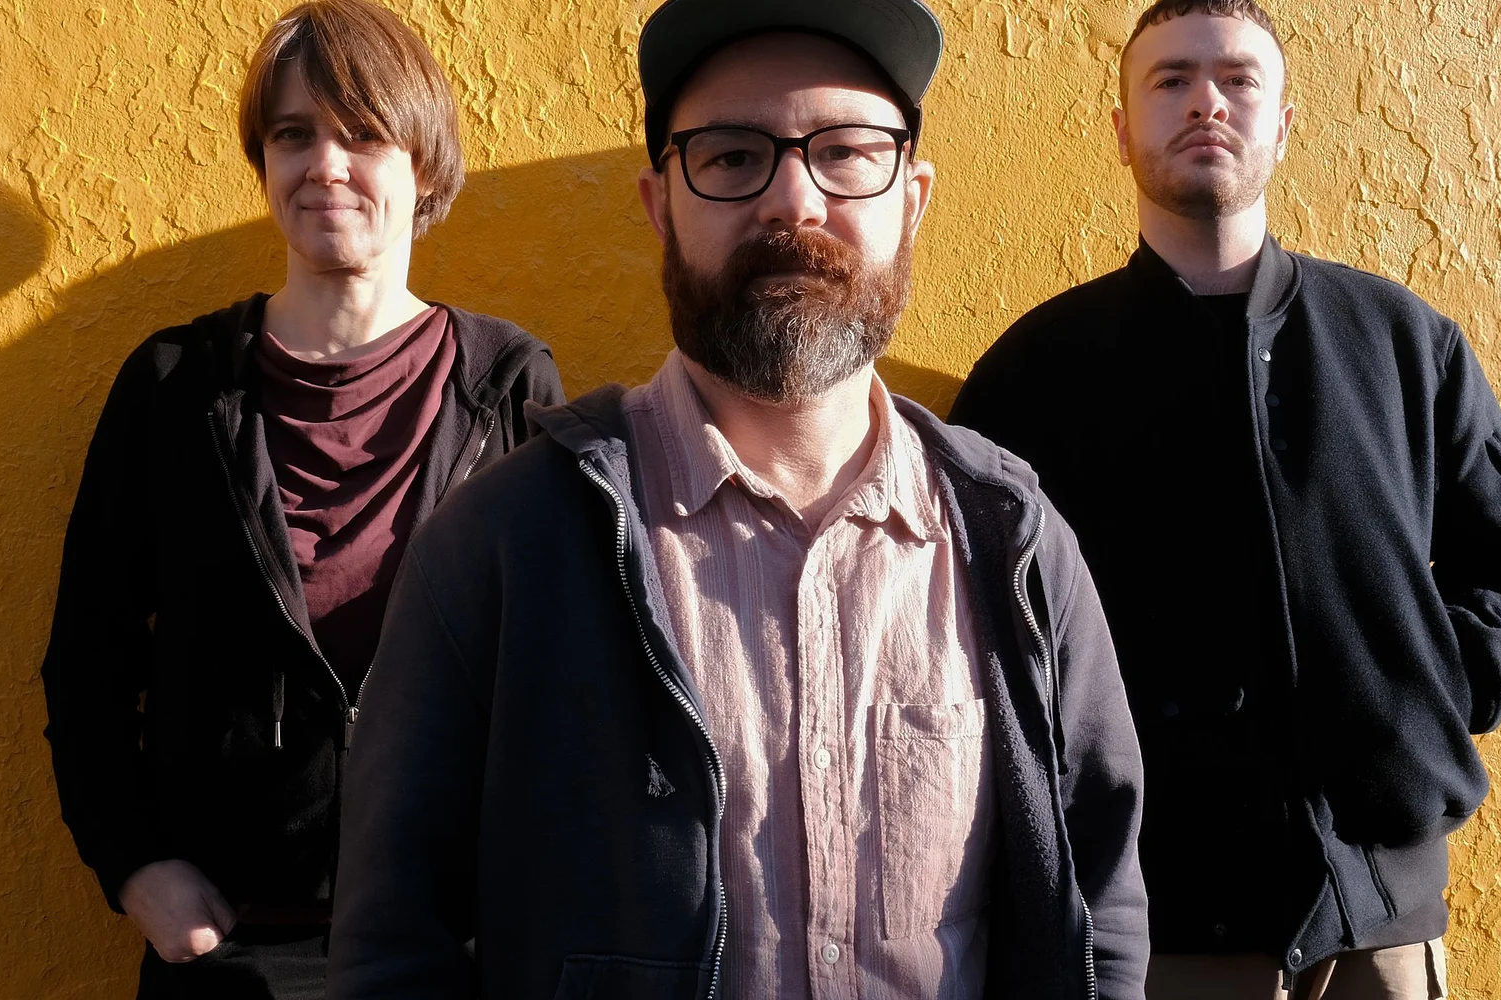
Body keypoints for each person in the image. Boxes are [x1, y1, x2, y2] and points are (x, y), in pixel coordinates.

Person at [326, 2, 1148, 998]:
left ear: (913, 198)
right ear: (658, 204)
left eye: (847, 153)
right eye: (730, 156)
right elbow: (391, 949)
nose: (792, 201)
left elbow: (1096, 917)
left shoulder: (1010, 540)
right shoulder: (503, 544)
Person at [948, 1, 1501, 997]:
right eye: (1170, 80)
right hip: (1145, 940)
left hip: (1376, 934)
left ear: (1283, 124)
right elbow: (966, 643)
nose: (1205, 102)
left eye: (1237, 80)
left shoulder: (1403, 343)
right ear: (1121, 130)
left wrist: (1420, 690)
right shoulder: (1031, 376)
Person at [39, 1, 564, 995]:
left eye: (362, 134)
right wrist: (135, 867)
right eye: (293, 135)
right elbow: (87, 659)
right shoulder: (176, 384)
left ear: (424, 165)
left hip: (451, 948)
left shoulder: (506, 384)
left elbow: (558, 672)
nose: (325, 164)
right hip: (231, 952)